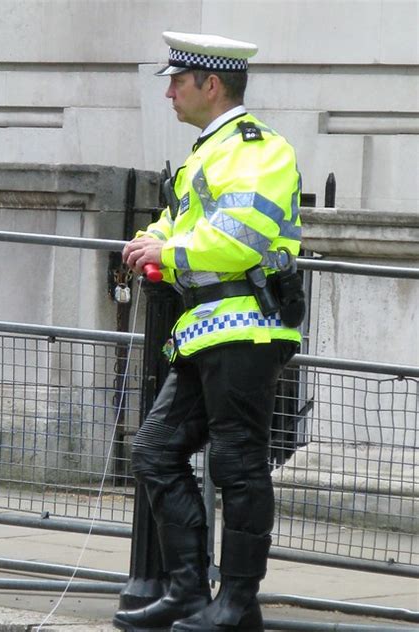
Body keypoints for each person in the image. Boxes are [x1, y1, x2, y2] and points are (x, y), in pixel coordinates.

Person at [113, 31, 304, 632]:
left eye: (177, 80)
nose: (169, 91)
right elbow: (181, 223)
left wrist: (164, 254)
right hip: (208, 329)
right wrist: (154, 240)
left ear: (211, 84)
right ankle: (190, 593)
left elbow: (238, 236)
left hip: (248, 328)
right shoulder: (209, 151)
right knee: (154, 452)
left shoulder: (257, 149)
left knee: (238, 463)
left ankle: (238, 604)